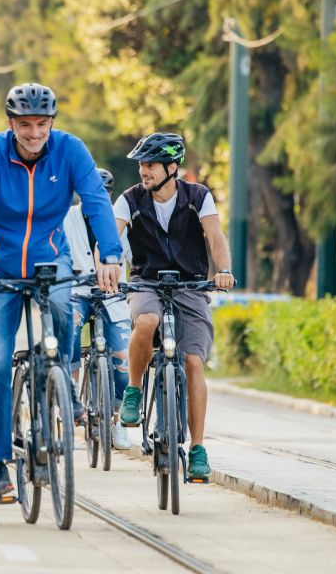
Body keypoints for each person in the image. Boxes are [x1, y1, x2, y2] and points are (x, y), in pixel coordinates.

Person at [0, 82, 123, 503]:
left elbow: (96, 202)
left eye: (42, 124)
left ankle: (63, 379)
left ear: (52, 122)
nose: (34, 133)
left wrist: (110, 254)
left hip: (51, 260)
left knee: (65, 311)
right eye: (26, 124)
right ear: (11, 123)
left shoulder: (70, 151)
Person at [114, 132, 235, 482]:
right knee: (147, 320)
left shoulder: (198, 197)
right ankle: (134, 390)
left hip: (190, 285)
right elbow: (112, 235)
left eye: (150, 165)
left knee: (194, 362)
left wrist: (223, 271)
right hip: (146, 281)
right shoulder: (129, 200)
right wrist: (106, 266)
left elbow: (214, 236)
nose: (143, 171)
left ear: (171, 167)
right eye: (141, 165)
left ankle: (197, 448)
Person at [65, 167, 133, 451]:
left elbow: (134, 256)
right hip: (76, 291)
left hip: (113, 294)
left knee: (124, 356)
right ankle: (71, 409)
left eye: (104, 194)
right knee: (68, 336)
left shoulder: (119, 220)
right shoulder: (66, 217)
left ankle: (116, 420)